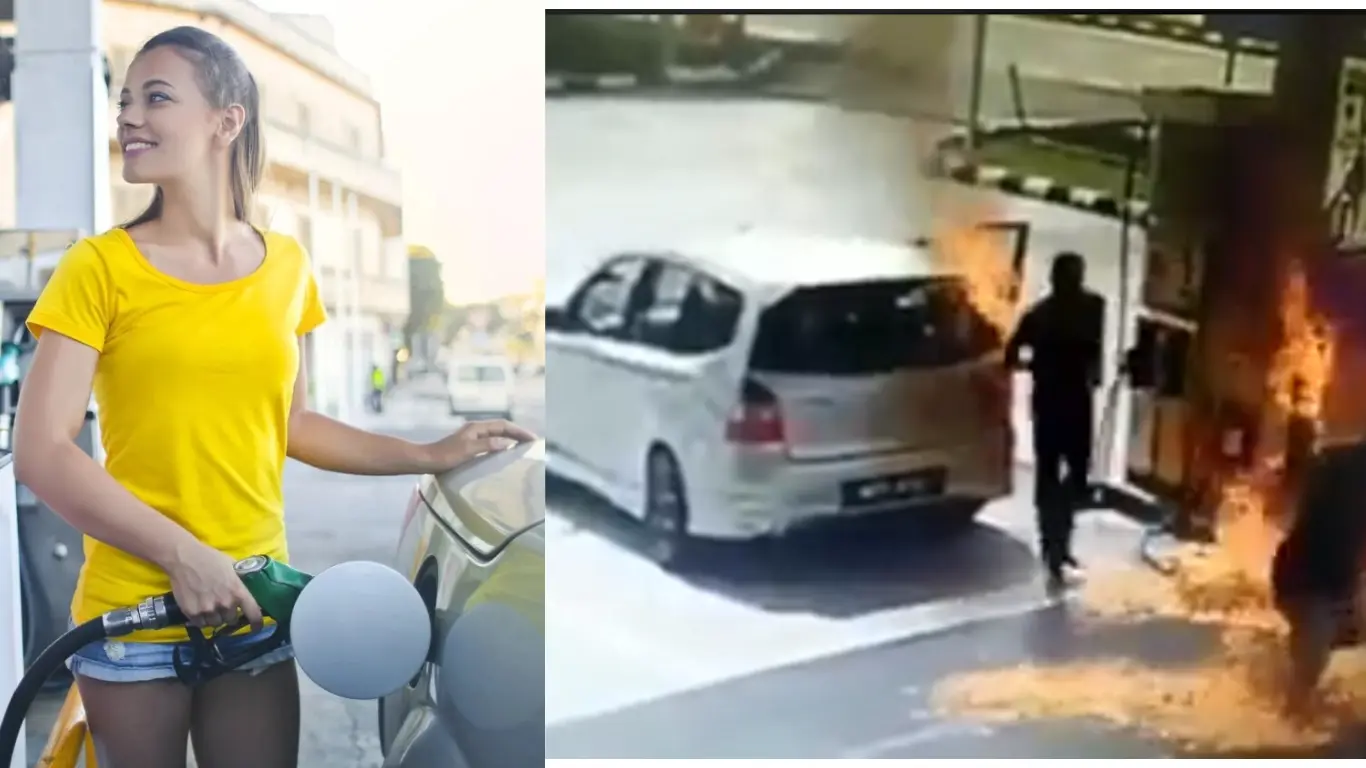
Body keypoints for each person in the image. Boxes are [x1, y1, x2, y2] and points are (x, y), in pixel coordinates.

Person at [13, 27, 536, 768]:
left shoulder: (286, 268)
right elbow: (42, 451)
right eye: (124, 100)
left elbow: (293, 424)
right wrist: (185, 556)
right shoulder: (97, 268)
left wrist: (429, 453)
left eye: (155, 97)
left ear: (228, 120)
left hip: (255, 609)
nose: (129, 116)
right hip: (131, 623)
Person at [1004, 252, 1106, 593]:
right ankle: (1060, 547)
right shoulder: (1093, 306)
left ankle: (1054, 546)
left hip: (1050, 403)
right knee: (1074, 474)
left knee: (1049, 476)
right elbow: (1096, 352)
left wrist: (1027, 365)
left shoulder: (1039, 316)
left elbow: (1012, 353)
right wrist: (1095, 375)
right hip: (1076, 403)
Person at [1270, 438, 1366, 712]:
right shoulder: (1340, 463)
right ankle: (1289, 723)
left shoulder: (1334, 458)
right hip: (1306, 580)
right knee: (1310, 664)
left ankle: (1289, 662)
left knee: (1328, 638)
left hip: (1334, 578)